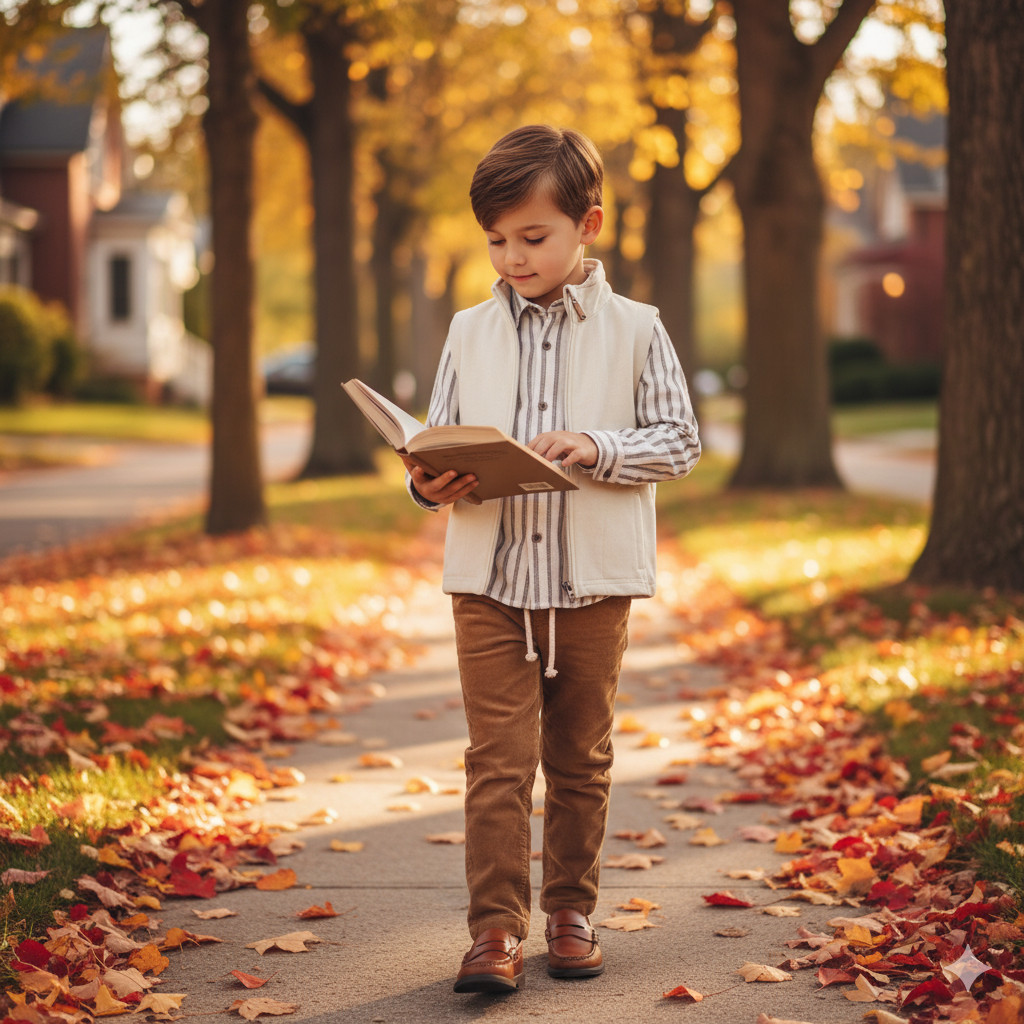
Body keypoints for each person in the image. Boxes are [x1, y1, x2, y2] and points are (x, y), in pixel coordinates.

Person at [401, 124, 700, 994]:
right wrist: (430, 484)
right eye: (497, 240)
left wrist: (598, 446)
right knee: (497, 760)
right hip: (489, 580)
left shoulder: (638, 329)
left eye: (533, 237)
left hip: (590, 583)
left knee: (580, 757)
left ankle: (570, 912)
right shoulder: (468, 328)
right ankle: (494, 931)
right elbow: (436, 442)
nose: (512, 257)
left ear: (588, 225)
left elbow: (679, 441)